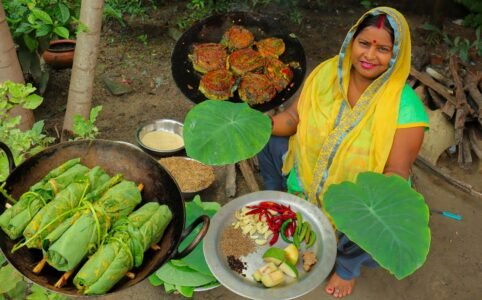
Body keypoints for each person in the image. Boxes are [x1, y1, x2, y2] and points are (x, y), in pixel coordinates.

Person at [258, 7, 429, 298]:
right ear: (352, 41)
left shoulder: (405, 106)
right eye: (364, 44)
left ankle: (347, 267)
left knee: (376, 215)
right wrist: (255, 125)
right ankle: (279, 204)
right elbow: (292, 120)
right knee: (268, 143)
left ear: (397, 54)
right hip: (309, 171)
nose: (369, 55)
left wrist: (372, 204)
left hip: (353, 196)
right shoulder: (326, 74)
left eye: (383, 49)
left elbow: (397, 171)